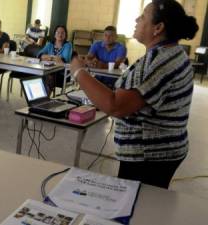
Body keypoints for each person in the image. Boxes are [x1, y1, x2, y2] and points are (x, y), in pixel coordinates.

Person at [70, 0, 198, 189]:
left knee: (138, 208)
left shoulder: (159, 61)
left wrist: (79, 72)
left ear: (158, 28)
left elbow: (116, 106)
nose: (137, 19)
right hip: (162, 150)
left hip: (149, 156)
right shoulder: (172, 53)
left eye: (143, 16)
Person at [37, 25, 72, 93]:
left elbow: (64, 59)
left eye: (62, 33)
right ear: (54, 34)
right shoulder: (50, 44)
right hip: (49, 70)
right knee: (40, 75)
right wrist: (53, 58)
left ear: (65, 35)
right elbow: (39, 55)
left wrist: (48, 57)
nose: (60, 34)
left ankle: (45, 99)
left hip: (62, 73)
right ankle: (41, 97)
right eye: (58, 32)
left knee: (48, 77)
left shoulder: (68, 45)